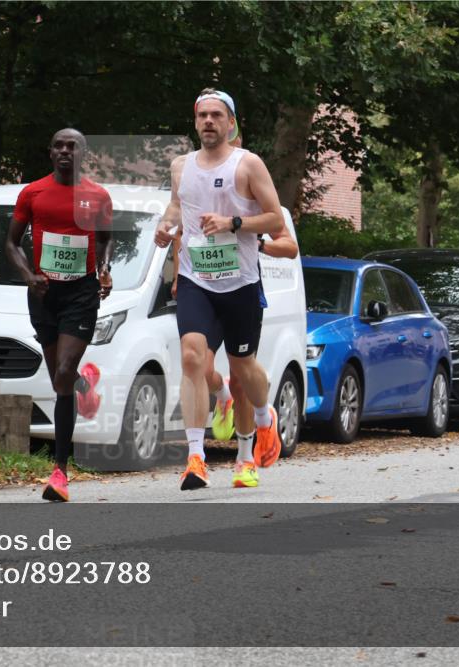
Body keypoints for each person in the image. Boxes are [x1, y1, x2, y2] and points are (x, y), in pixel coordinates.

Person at [155, 88, 299, 491]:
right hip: (197, 279)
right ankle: (196, 458)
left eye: (217, 115)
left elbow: (273, 216)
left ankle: (249, 446)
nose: (208, 122)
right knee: (192, 358)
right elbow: (175, 207)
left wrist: (234, 223)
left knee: (242, 373)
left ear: (231, 123)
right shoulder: (181, 166)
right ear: (195, 121)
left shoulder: (248, 164)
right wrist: (166, 227)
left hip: (240, 284)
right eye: (202, 115)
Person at [5, 128, 113, 502]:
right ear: (50, 152)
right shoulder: (32, 192)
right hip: (43, 293)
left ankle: (60, 471)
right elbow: (11, 241)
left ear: (83, 153)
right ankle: (84, 388)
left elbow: (105, 237)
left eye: (73, 147)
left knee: (64, 370)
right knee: (59, 379)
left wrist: (103, 269)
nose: (66, 151)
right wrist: (28, 276)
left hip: (81, 293)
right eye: (60, 146)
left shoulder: (98, 196)